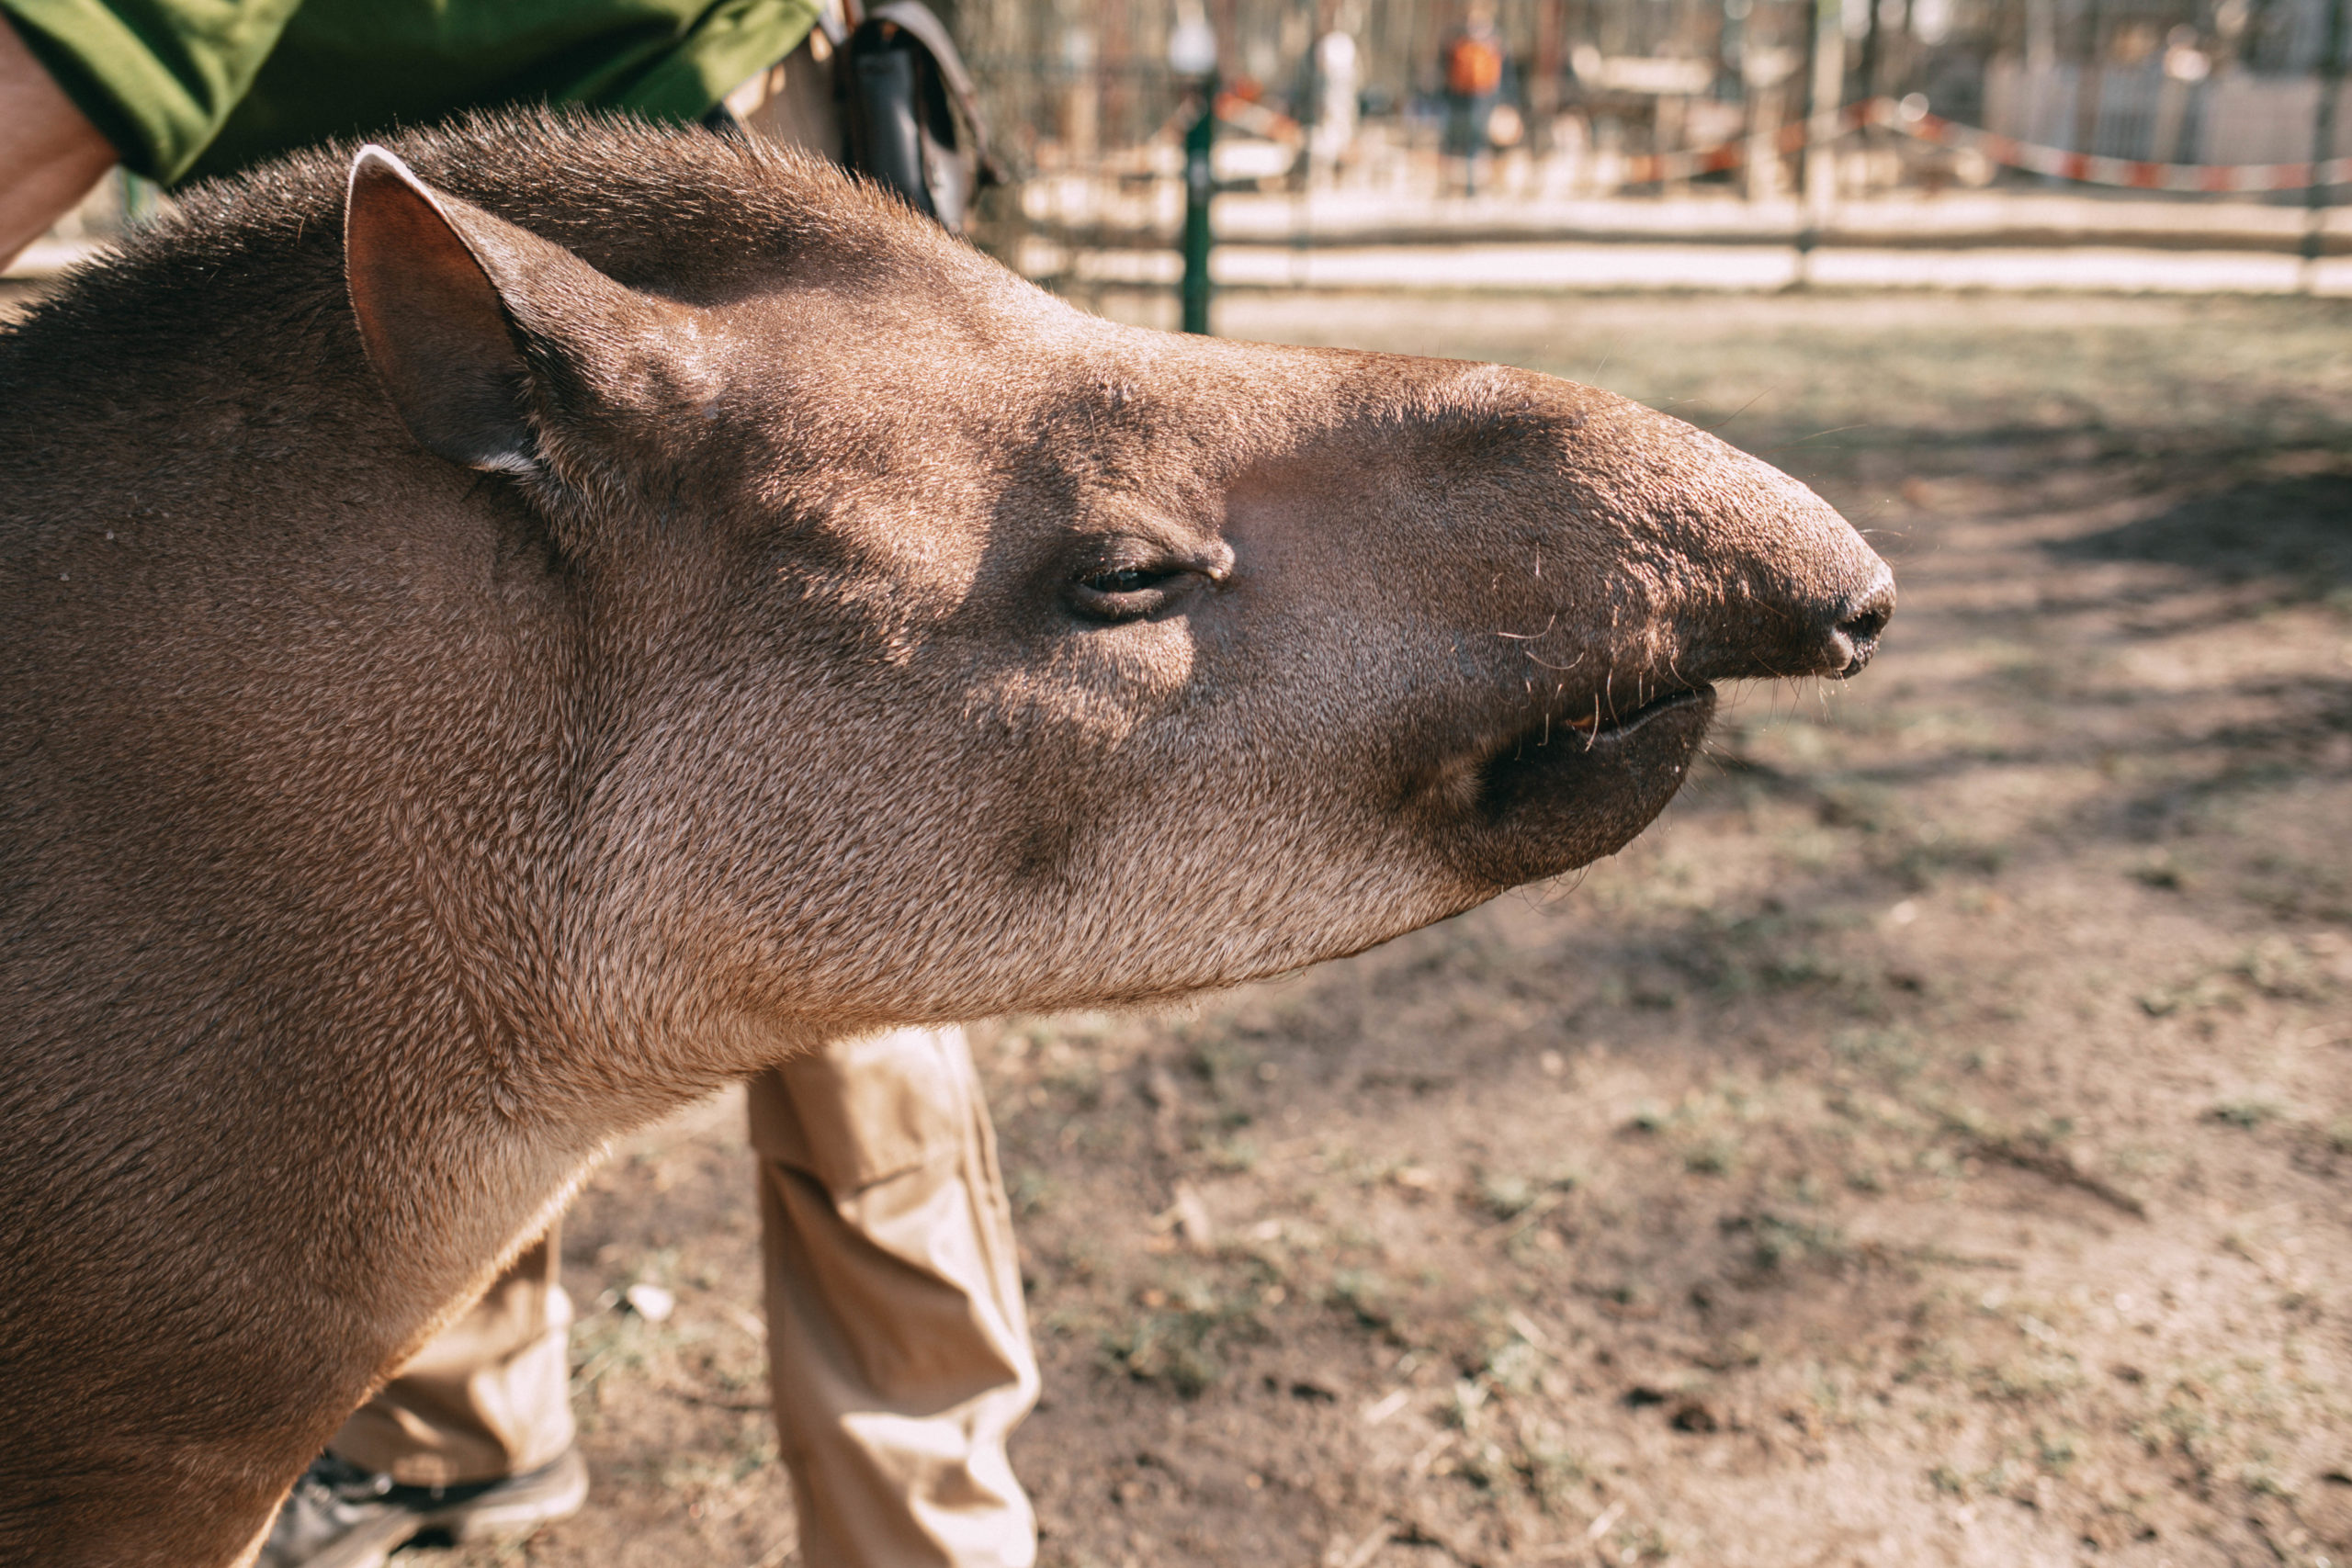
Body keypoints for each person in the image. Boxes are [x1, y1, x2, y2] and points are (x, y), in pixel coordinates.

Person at [0, 6, 1041, 1566]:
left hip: (685, 188)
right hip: (417, 228)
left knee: (832, 858)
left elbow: (82, 63)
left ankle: (919, 1511)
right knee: (450, 819)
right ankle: (458, 1440)